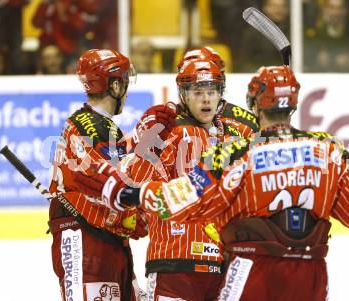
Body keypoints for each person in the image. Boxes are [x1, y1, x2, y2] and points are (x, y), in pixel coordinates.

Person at [77, 65, 349, 300]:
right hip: (311, 275)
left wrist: (139, 197)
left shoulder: (234, 152)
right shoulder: (328, 149)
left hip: (252, 270)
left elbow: (186, 197)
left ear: (253, 103)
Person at [78, 47, 259, 300]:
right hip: (174, 261)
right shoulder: (167, 126)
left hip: (221, 266)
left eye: (212, 91)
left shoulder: (233, 135)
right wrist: (147, 146)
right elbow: (131, 183)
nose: (206, 99)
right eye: (198, 92)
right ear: (184, 93)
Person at [48, 48, 175, 301]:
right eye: (124, 82)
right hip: (85, 239)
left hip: (102, 238)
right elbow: (108, 184)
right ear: (115, 85)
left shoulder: (94, 124)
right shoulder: (94, 127)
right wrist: (132, 215)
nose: (126, 91)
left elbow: (115, 174)